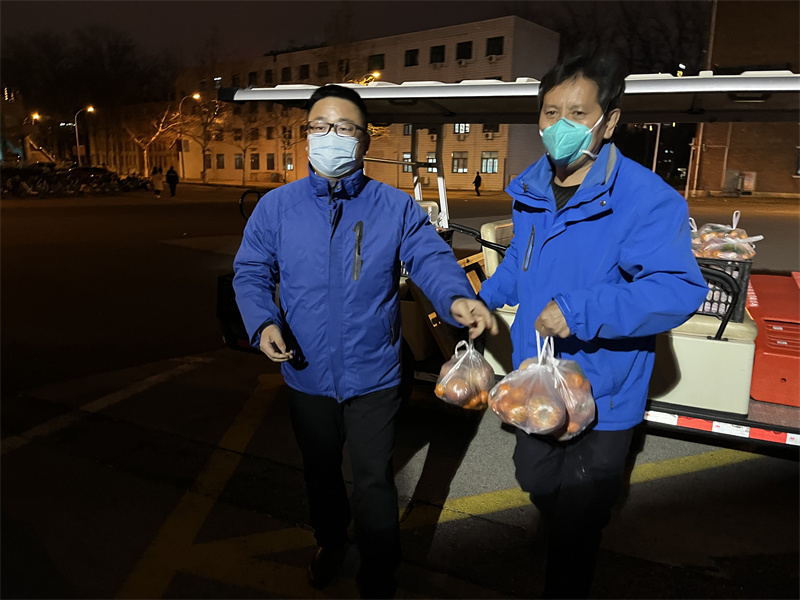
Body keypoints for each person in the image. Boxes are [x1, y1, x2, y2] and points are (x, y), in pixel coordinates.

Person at [232, 84, 497, 599]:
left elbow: (430, 257)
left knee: (374, 479)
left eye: (345, 127)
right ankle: (329, 542)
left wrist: (456, 299)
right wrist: (263, 322)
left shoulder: (393, 207)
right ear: (307, 134)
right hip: (306, 373)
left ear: (363, 139)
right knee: (321, 473)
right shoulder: (276, 207)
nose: (330, 136)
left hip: (374, 374)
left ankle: (379, 571)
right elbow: (252, 271)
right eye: (320, 126)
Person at [477, 50, 708, 599]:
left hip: (604, 391)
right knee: (534, 477)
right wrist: (483, 300)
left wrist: (581, 310)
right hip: (535, 380)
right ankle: (556, 522)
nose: (561, 125)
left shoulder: (646, 199)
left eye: (578, 114)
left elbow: (678, 289)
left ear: (609, 121)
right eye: (551, 112)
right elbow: (520, 265)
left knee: (581, 519)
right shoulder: (531, 190)